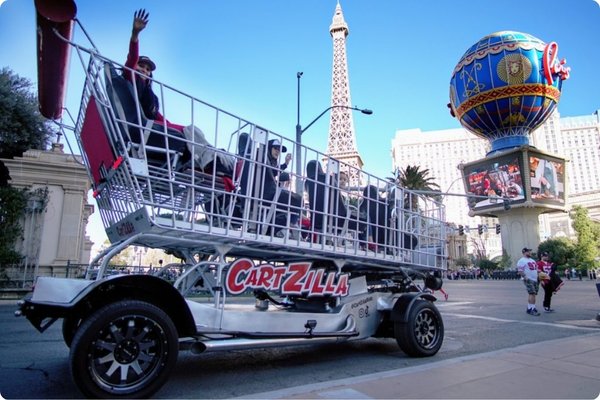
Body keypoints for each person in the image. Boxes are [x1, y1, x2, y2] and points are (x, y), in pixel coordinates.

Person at [124, 9, 184, 132]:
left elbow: (161, 119)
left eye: (148, 69)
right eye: (141, 66)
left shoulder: (150, 96)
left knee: (189, 131)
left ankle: (212, 151)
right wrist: (135, 34)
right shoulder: (131, 79)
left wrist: (178, 130)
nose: (144, 70)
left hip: (153, 126)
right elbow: (133, 57)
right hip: (144, 127)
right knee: (191, 132)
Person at [517, 247, 540, 316]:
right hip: (528, 279)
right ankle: (531, 309)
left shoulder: (532, 260)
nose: (530, 253)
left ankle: (531, 307)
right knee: (532, 293)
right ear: (524, 252)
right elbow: (520, 271)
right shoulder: (522, 261)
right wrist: (525, 277)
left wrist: (539, 275)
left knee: (534, 293)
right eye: (528, 251)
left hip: (535, 279)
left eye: (530, 251)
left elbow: (536, 269)